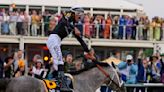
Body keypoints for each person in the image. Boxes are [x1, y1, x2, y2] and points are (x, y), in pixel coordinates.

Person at [46, 5, 95, 90]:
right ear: (74, 13)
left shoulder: (72, 23)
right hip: (53, 39)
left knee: (59, 62)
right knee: (60, 61)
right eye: (79, 15)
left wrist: (87, 50)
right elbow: (64, 22)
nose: (80, 17)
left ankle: (58, 81)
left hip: (57, 41)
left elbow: (80, 39)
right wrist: (74, 28)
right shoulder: (67, 16)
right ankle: (62, 84)